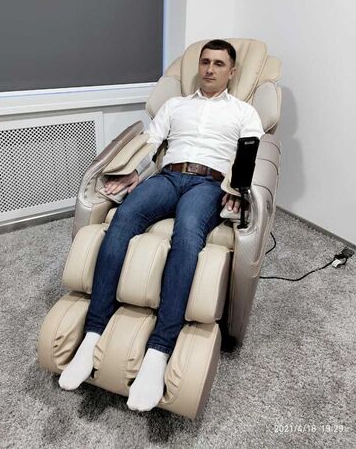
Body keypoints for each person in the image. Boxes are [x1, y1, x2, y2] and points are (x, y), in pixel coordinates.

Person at [58, 39, 264, 411]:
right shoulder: (175, 105)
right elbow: (150, 141)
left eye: (219, 63)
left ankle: (159, 349)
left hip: (208, 184)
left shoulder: (244, 112)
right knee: (123, 219)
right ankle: (92, 333)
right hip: (167, 177)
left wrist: (238, 190)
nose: (210, 69)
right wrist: (133, 172)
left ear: (232, 72)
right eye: (205, 62)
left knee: (187, 234)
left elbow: (251, 154)